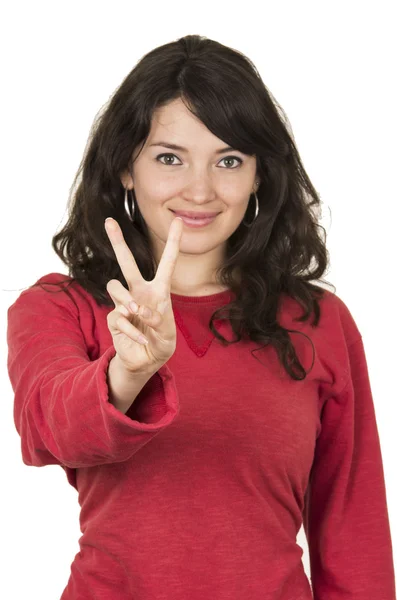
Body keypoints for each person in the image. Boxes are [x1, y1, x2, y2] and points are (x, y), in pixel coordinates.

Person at [6, 34, 396, 600]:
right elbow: (51, 432)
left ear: (259, 174)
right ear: (125, 169)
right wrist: (128, 373)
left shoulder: (319, 320)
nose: (200, 189)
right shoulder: (58, 307)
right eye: (169, 158)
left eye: (229, 160)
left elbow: (353, 533)